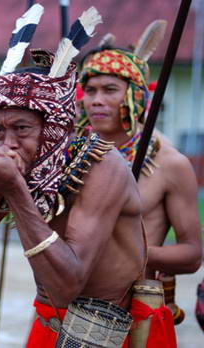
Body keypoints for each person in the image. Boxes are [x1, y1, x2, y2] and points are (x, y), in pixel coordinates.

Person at [0, 30, 159, 346]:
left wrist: (14, 188)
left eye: (21, 129)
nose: (8, 144)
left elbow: (66, 285)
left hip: (106, 331)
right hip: (49, 322)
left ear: (56, 130)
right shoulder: (22, 161)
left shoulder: (102, 164)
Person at [79, 47, 202, 286]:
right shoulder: (73, 154)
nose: (96, 101)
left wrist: (126, 253)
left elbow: (192, 255)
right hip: (61, 300)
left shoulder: (169, 164)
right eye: (90, 91)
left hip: (130, 307)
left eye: (110, 90)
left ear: (135, 96)